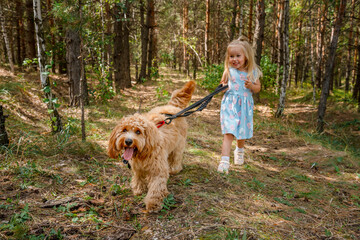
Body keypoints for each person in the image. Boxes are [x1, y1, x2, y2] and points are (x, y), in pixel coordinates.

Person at [217, 37, 262, 174]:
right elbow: (222, 86)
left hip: (244, 107)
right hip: (230, 106)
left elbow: (258, 88)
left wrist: (252, 86)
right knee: (229, 132)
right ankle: (224, 161)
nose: (234, 59)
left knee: (241, 132)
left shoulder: (252, 72)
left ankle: (240, 151)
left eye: (238, 56)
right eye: (231, 56)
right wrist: (223, 87)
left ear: (246, 56)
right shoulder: (229, 71)